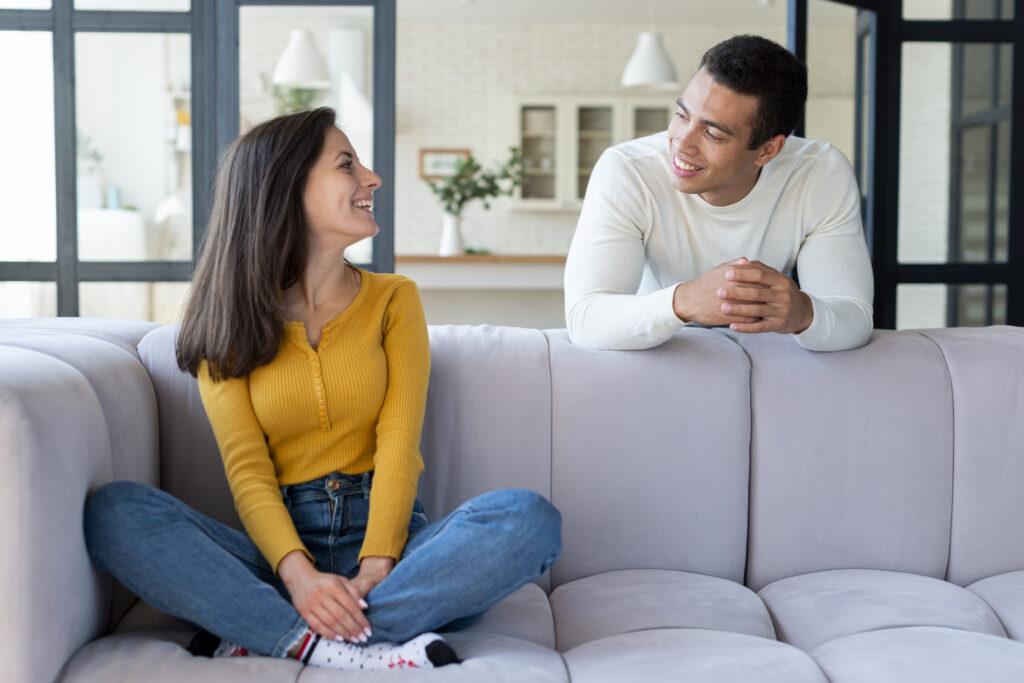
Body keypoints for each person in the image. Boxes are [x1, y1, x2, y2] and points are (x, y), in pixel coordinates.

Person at [84, 107, 561, 673]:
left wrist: (376, 565)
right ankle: (340, 639)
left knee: (528, 519)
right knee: (115, 513)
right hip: (280, 559)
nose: (372, 178)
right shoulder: (225, 319)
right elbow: (247, 471)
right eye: (346, 165)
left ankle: (273, 631)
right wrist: (300, 576)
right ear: (287, 190)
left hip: (398, 553)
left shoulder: (393, 299)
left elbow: (399, 440)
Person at [564, 34, 873, 351]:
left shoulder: (819, 173)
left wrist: (803, 313)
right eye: (682, 115)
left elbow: (855, 319)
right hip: (654, 352)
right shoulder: (628, 170)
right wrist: (683, 301)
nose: (682, 143)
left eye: (712, 133)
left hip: (763, 359)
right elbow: (585, 320)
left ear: (767, 150)